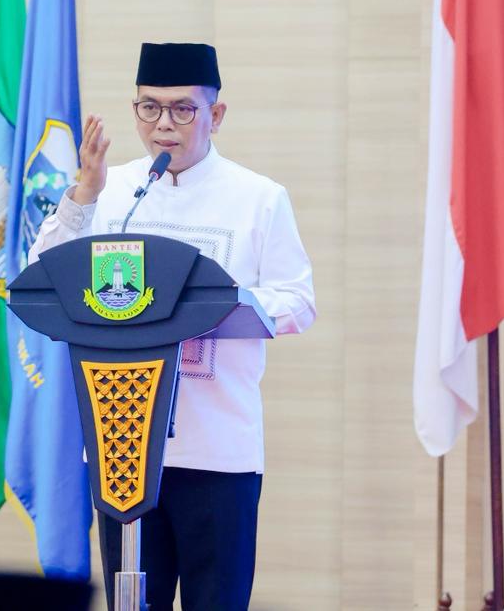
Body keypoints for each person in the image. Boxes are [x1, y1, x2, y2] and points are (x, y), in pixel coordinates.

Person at [27, 42, 317, 611]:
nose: (164, 124)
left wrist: (219, 306)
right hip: (121, 446)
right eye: (150, 107)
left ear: (216, 114)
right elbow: (42, 276)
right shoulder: (110, 191)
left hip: (219, 453)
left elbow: (298, 301)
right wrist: (83, 194)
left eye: (183, 109)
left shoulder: (259, 199)